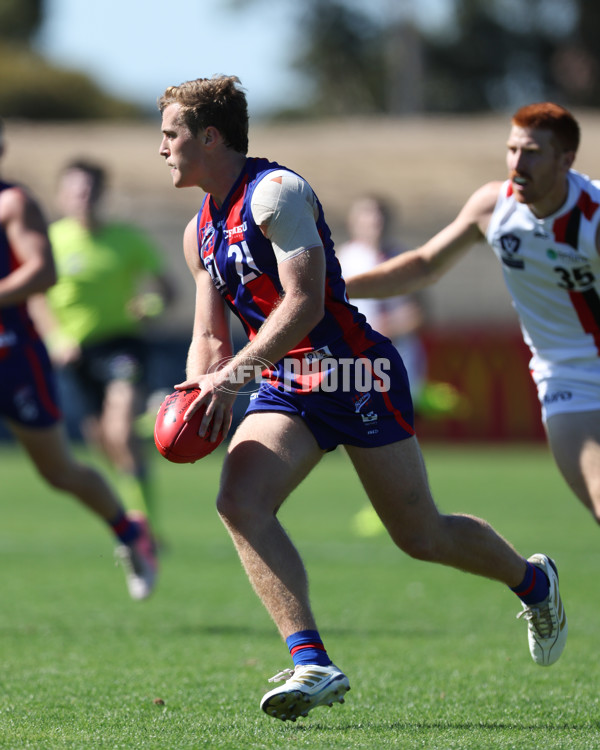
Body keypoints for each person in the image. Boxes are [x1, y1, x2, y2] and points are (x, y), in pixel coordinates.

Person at [157, 76, 567, 723]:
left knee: (420, 534)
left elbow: (305, 302)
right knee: (239, 500)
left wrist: (231, 377)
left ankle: (534, 582)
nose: (162, 149)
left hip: (356, 374)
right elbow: (208, 335)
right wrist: (196, 390)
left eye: (170, 134)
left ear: (209, 136)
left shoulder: (276, 193)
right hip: (285, 382)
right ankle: (312, 662)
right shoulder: (197, 231)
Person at [345, 102, 600, 531]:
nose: (518, 162)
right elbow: (426, 264)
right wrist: (334, 289)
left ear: (566, 160)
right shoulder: (493, 207)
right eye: (512, 149)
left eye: (533, 152)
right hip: (566, 379)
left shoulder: (593, 218)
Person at [0, 119, 157, 600]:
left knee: (59, 470)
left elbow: (42, 272)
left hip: (14, 357)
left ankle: (129, 531)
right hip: (55, 349)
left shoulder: (13, 203)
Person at [30, 159, 175, 536]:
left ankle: (147, 527)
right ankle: (130, 504)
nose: (84, 198)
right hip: (76, 353)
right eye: (77, 190)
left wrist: (150, 306)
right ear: (62, 195)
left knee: (119, 428)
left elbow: (167, 289)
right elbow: (37, 298)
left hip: (121, 344)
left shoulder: (126, 239)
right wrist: (56, 338)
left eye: (92, 190)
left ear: (102, 194)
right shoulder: (49, 241)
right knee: (104, 440)